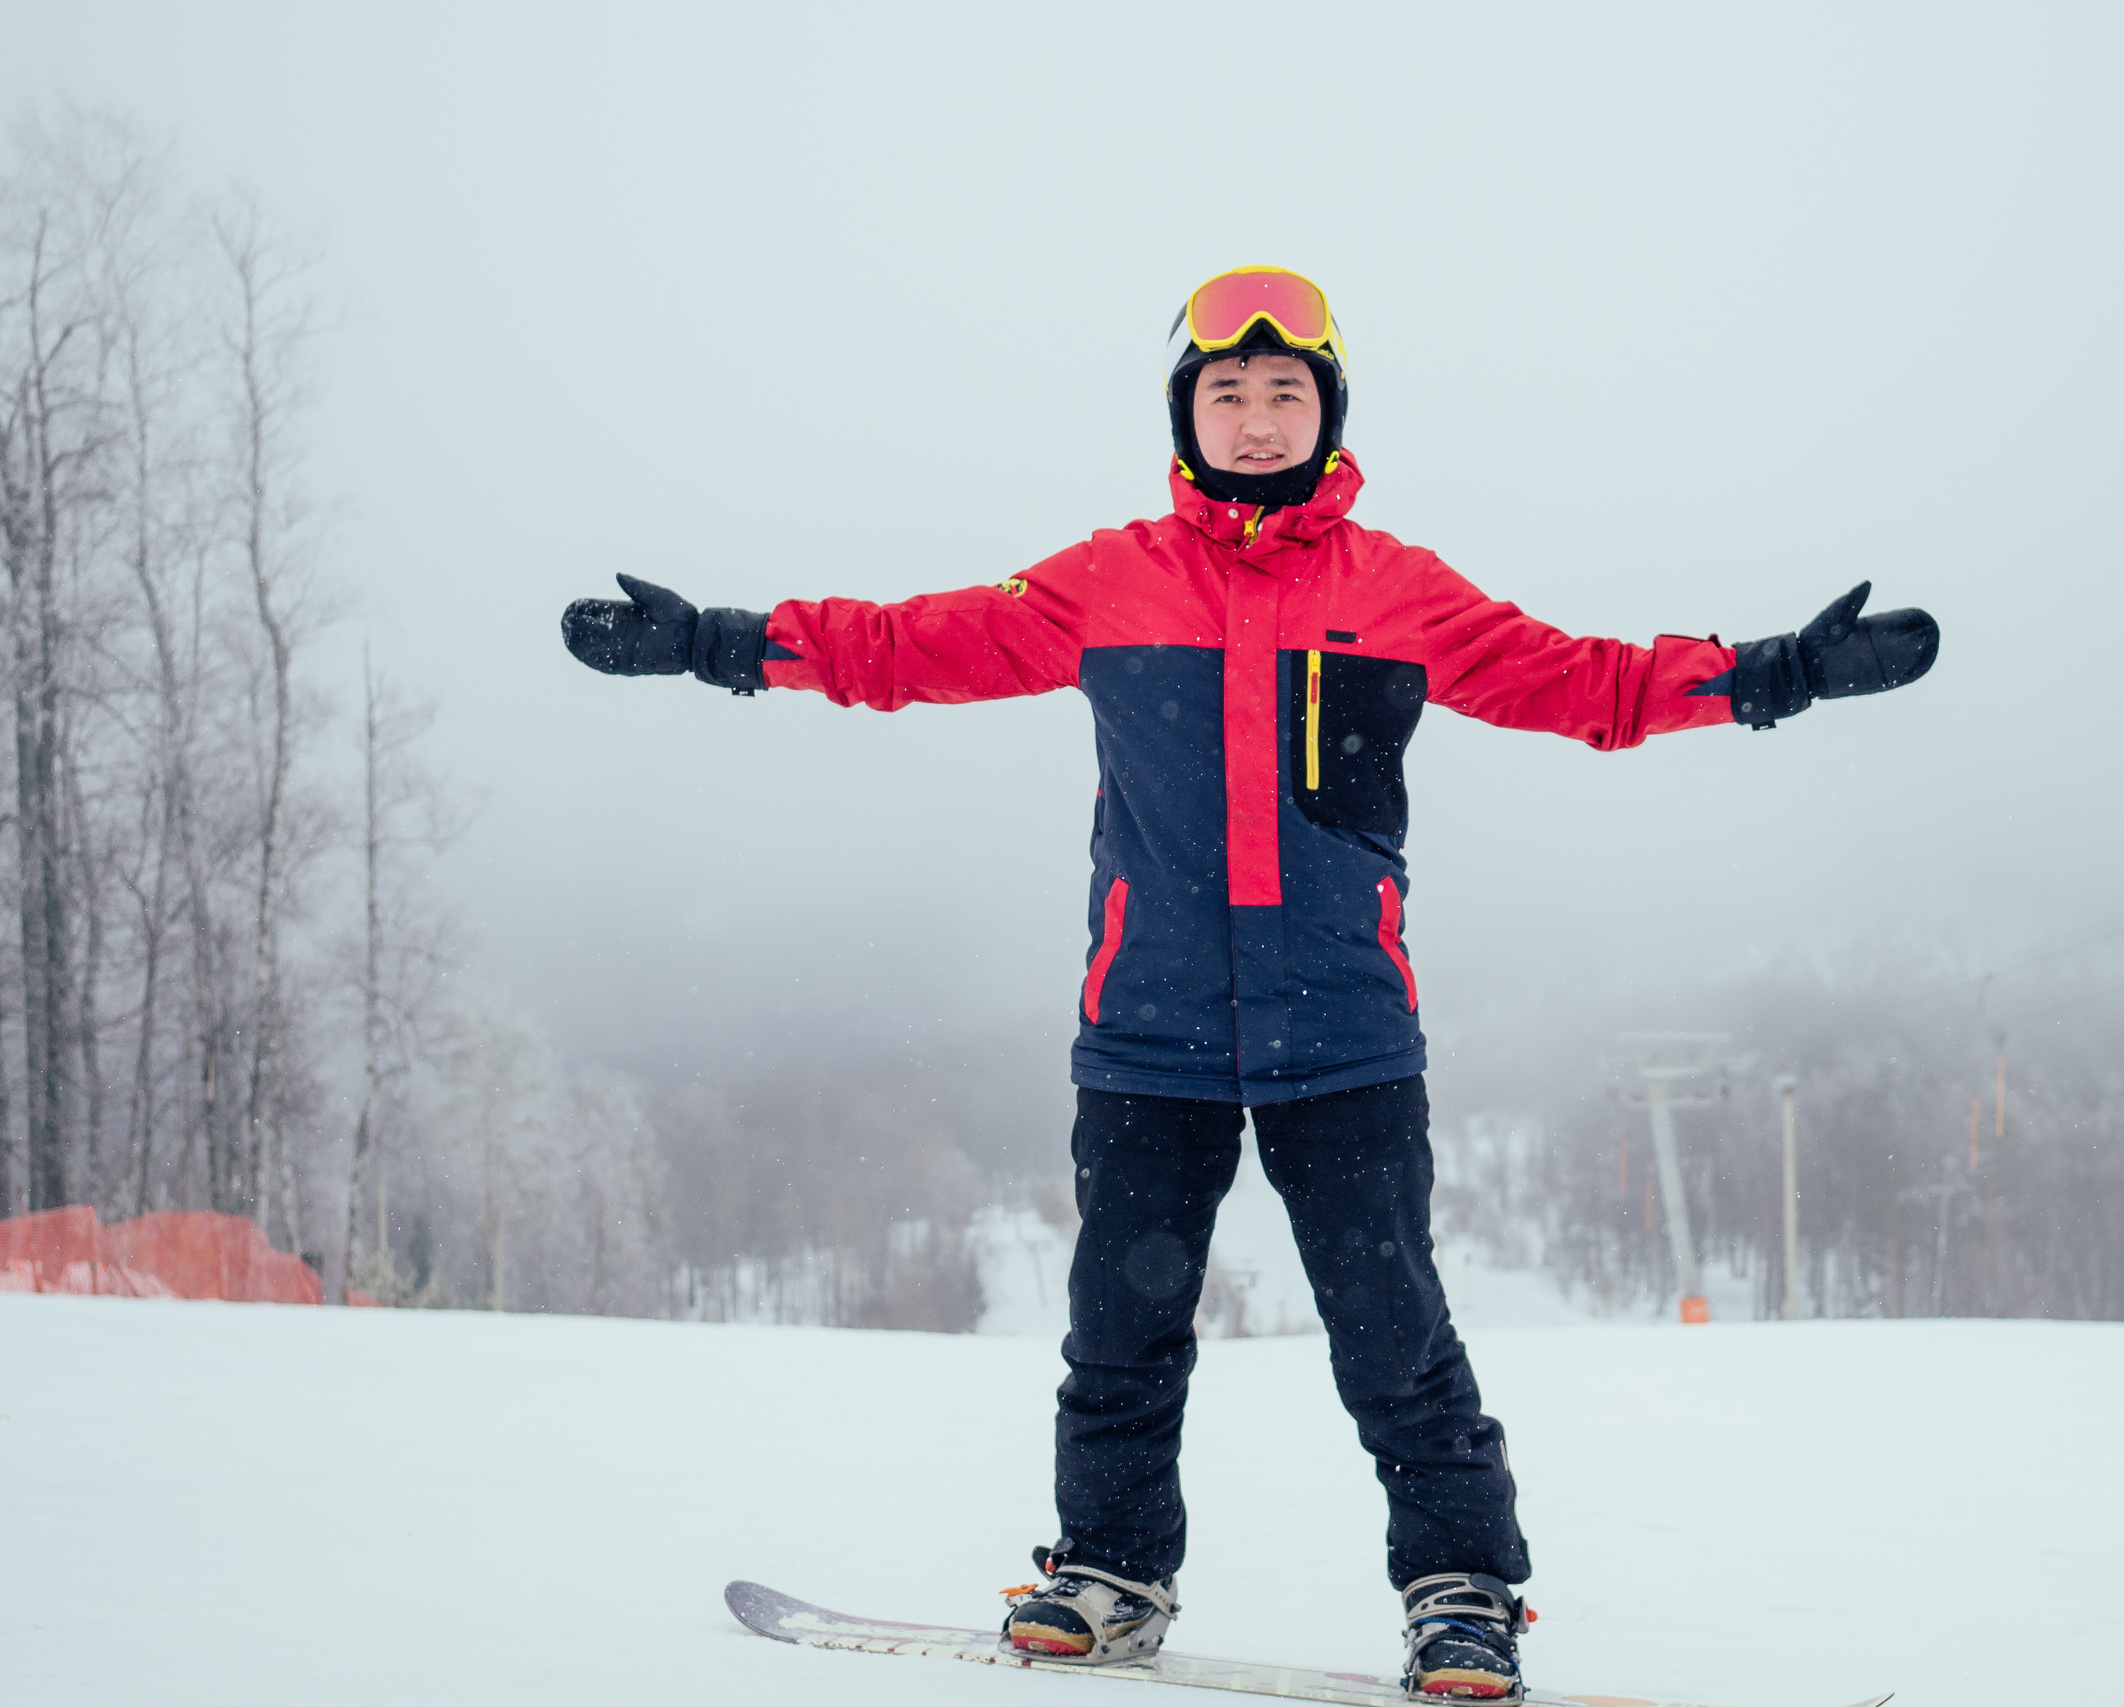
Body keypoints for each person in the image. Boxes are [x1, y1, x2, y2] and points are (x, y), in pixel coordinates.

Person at [560, 265, 1938, 1701]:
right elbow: (906, 647)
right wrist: (718, 643)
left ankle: (1461, 1592)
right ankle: (1109, 1572)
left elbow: (1582, 682)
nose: (1260, 416)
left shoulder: (1397, 590)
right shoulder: (1105, 581)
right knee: (1120, 1326)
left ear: (1327, 411)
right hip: (1147, 1034)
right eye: (1231, 391)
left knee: (1394, 1335)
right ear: (1188, 412)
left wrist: (1773, 673)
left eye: (1288, 393)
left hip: (1343, 1035)